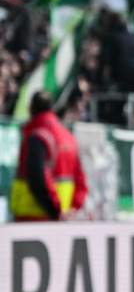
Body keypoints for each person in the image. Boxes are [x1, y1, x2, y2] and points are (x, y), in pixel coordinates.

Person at [11, 91, 89, 221]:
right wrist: (73, 209)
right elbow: (81, 178)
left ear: (31, 109)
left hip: (33, 217)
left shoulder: (37, 136)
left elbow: (39, 179)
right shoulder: (69, 137)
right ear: (52, 108)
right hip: (64, 217)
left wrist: (56, 210)